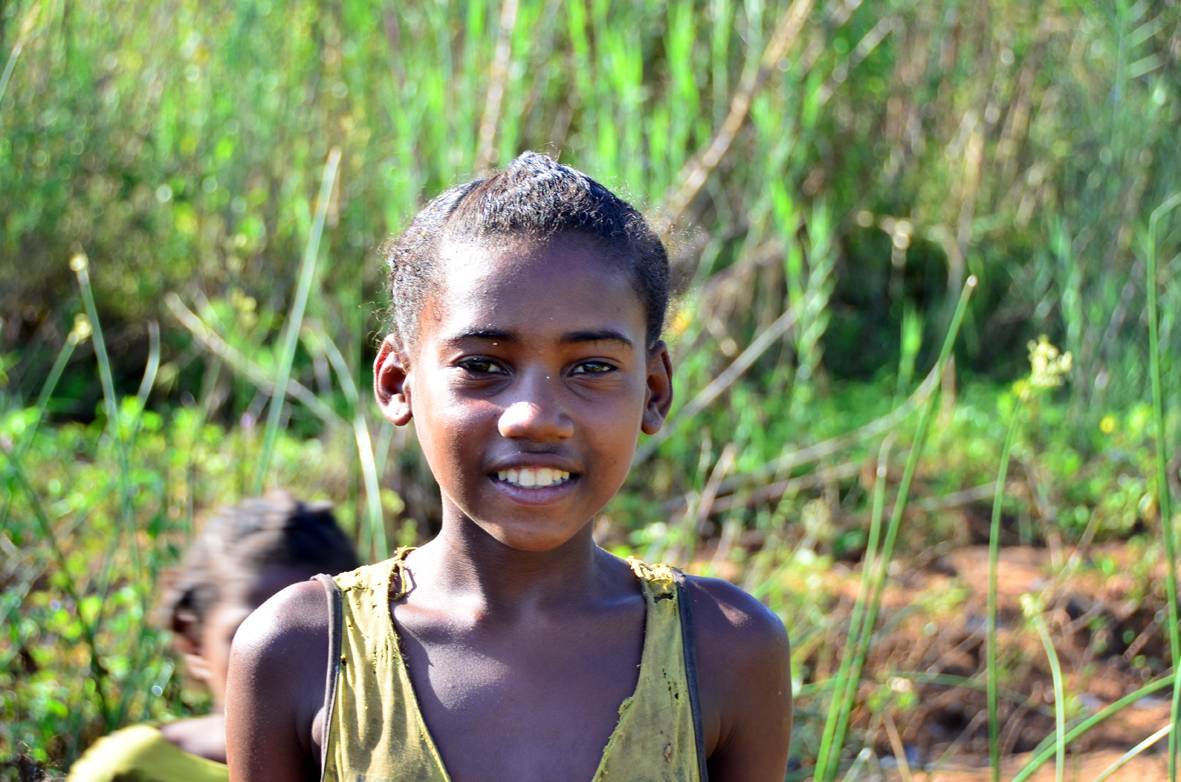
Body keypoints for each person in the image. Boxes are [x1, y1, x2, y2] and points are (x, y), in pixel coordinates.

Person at [226, 152, 792, 781]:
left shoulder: (723, 648)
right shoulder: (303, 650)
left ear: (654, 391)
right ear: (397, 382)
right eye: (482, 365)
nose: (533, 417)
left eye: (592, 367)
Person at [68, 492, 359, 781]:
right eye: (253, 636)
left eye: (324, 640)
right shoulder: (131, 769)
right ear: (193, 641)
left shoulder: (376, 762)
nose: (288, 666)